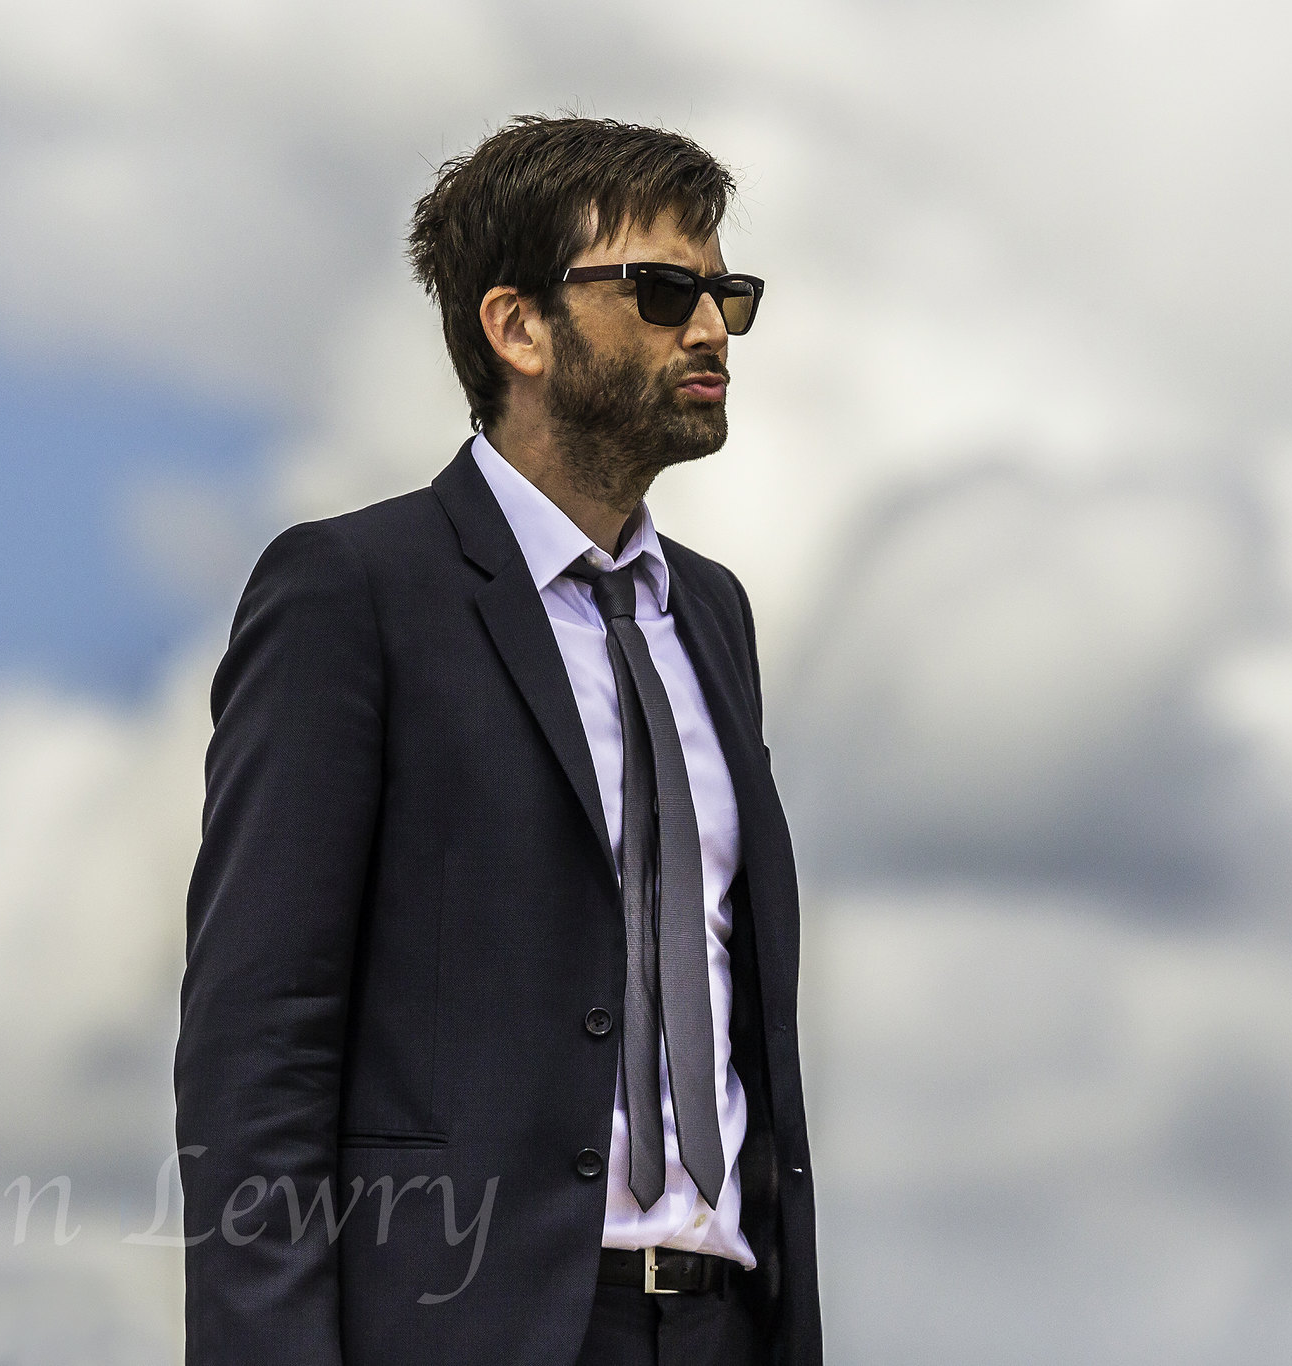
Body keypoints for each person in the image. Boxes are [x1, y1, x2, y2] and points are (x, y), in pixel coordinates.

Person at [174, 115, 821, 1366]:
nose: (708, 329)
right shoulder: (353, 591)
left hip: (724, 1324)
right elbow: (260, 1041)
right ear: (516, 326)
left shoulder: (714, 616)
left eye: (724, 294)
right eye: (661, 290)